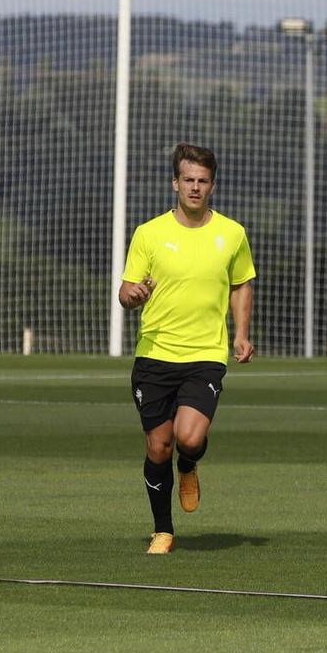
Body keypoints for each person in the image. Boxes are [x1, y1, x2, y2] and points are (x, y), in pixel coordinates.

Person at [117, 142, 256, 554]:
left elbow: (241, 283)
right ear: (175, 183)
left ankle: (190, 464)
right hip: (155, 355)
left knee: (189, 438)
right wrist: (134, 295)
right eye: (188, 180)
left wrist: (242, 333)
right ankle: (163, 530)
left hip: (204, 356)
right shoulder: (149, 233)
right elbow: (126, 290)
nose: (195, 188)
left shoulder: (232, 234)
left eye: (203, 181)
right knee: (158, 444)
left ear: (212, 186)